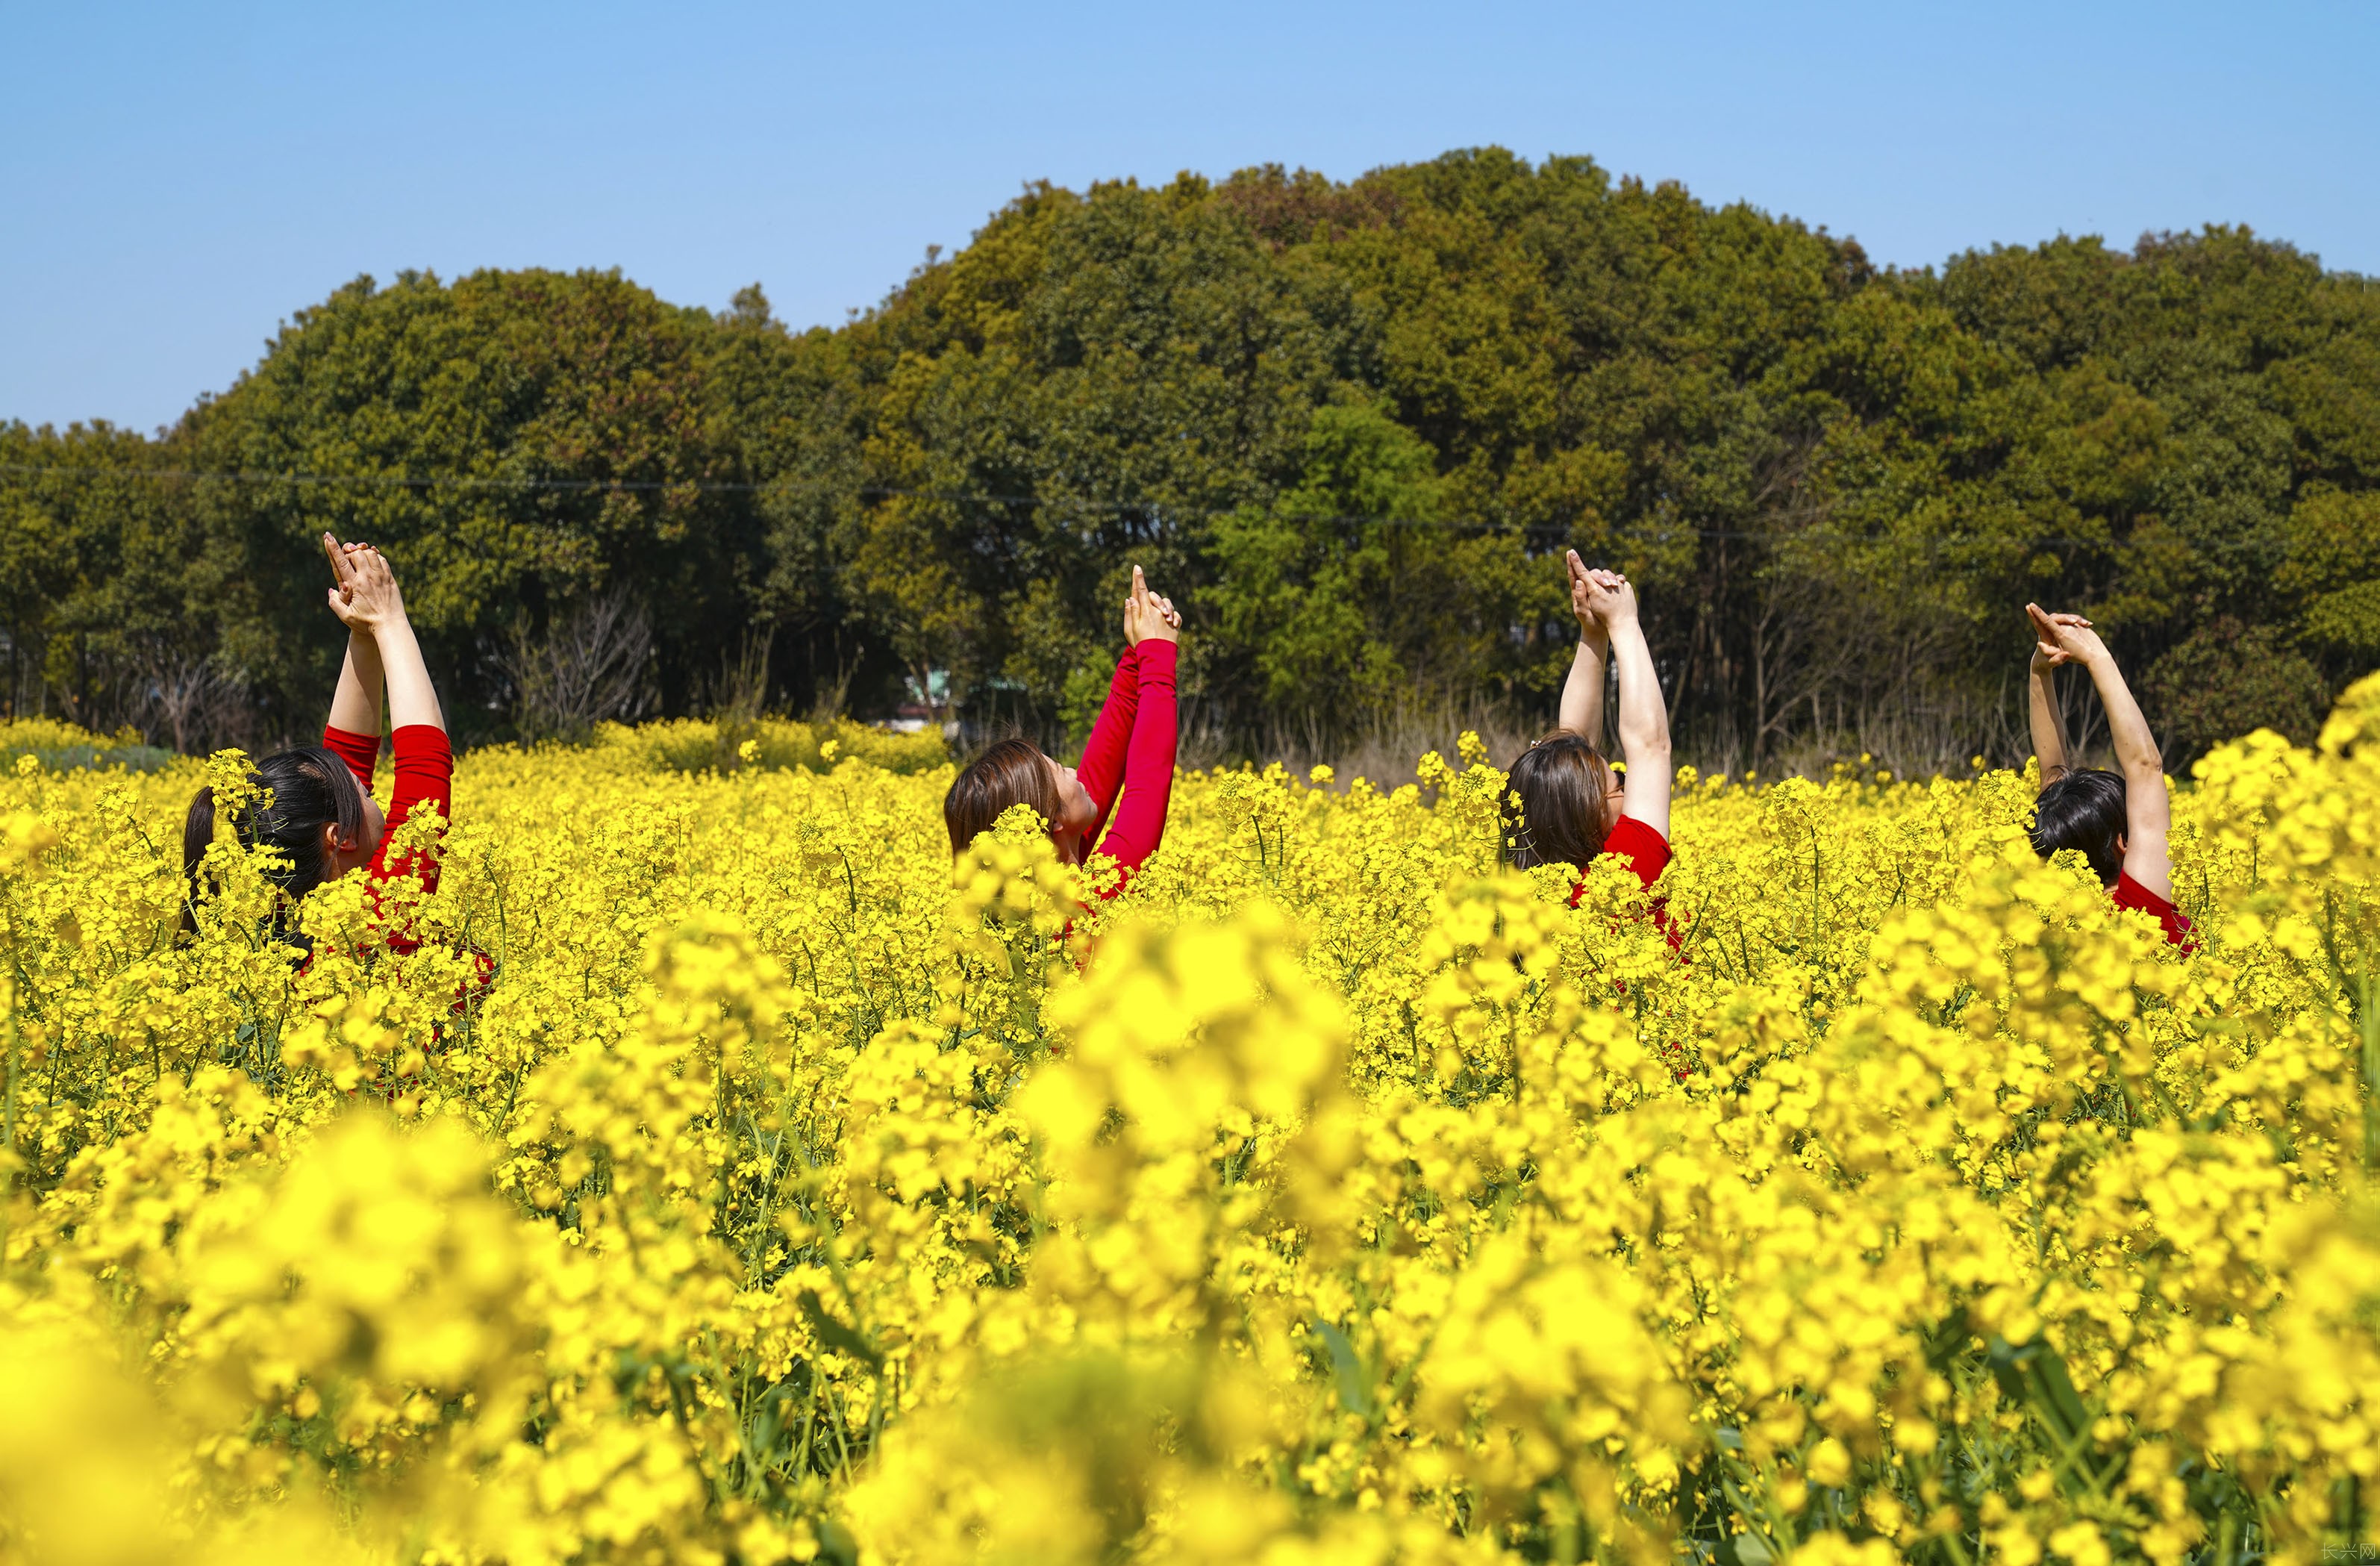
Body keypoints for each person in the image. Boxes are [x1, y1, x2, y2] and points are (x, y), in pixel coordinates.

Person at [183, 534, 453, 954]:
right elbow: (425, 770)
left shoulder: (282, 933)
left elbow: (348, 755)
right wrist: (390, 620)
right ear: (339, 837)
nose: (369, 785)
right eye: (364, 792)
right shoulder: (376, 924)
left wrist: (364, 633)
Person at [943, 566, 1181, 896]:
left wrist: (1138, 650)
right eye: (1060, 770)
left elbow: (1102, 770)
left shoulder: (1044, 902)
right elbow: (1148, 783)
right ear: (1053, 820)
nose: (1075, 771)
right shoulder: (1085, 906)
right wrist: (1158, 654)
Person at [1502, 551, 1675, 930]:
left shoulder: (1533, 903)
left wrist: (1592, 632)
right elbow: (1651, 748)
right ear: (1591, 813)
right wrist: (1625, 622)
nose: (1630, 788)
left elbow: (1573, 743)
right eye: (1620, 783)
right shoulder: (1621, 880)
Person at [2023, 602, 2193, 949]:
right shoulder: (2140, 905)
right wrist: (2095, 656)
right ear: (2123, 842)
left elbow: (2053, 783)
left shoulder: (2051, 927)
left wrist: (2041, 671)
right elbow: (2145, 767)